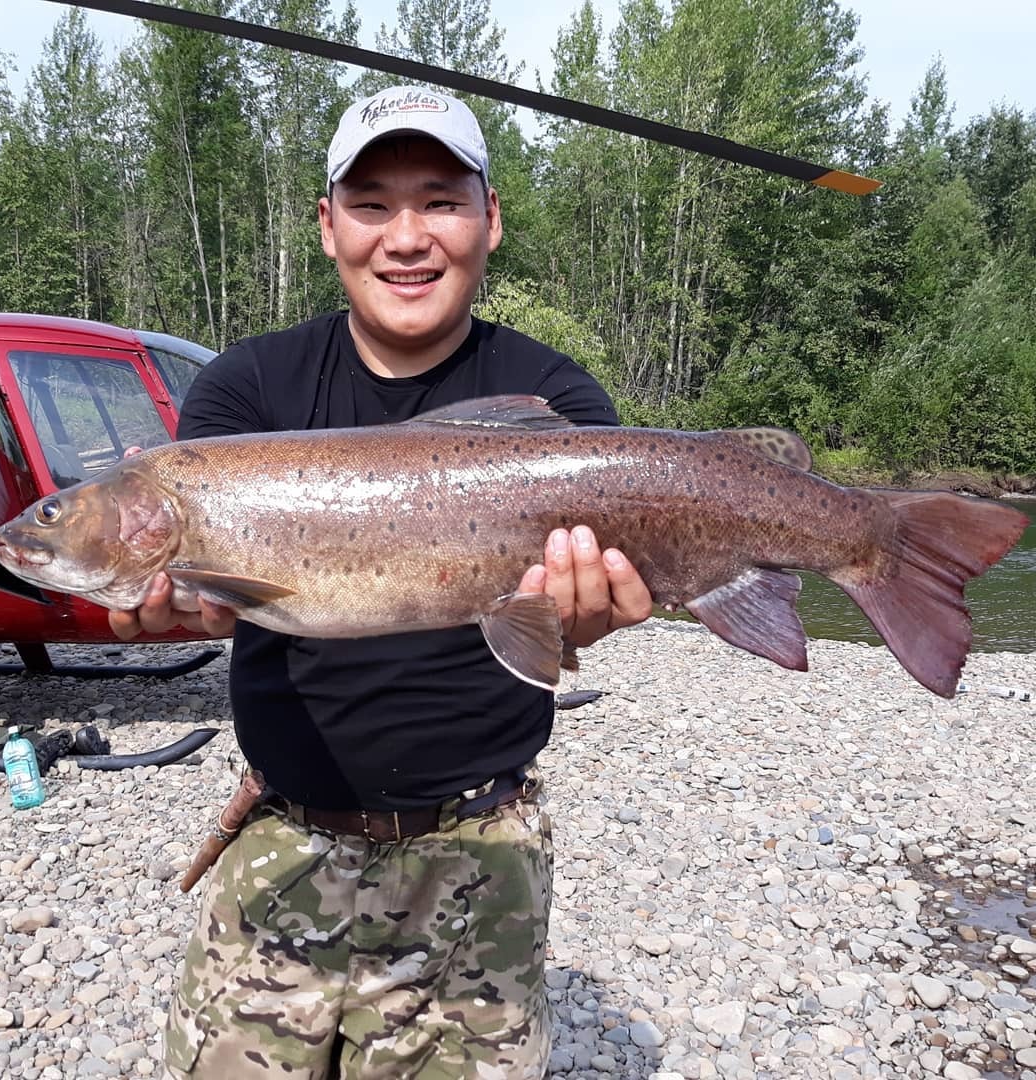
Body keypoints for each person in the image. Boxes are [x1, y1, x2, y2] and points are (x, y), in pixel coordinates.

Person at [111, 85, 652, 1079]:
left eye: (440, 200)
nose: (407, 236)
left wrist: (588, 621)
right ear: (326, 227)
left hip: (477, 857)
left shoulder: (564, 406)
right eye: (372, 205)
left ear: (491, 219)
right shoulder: (245, 389)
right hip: (280, 841)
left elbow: (564, 627)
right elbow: (229, 603)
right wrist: (181, 609)